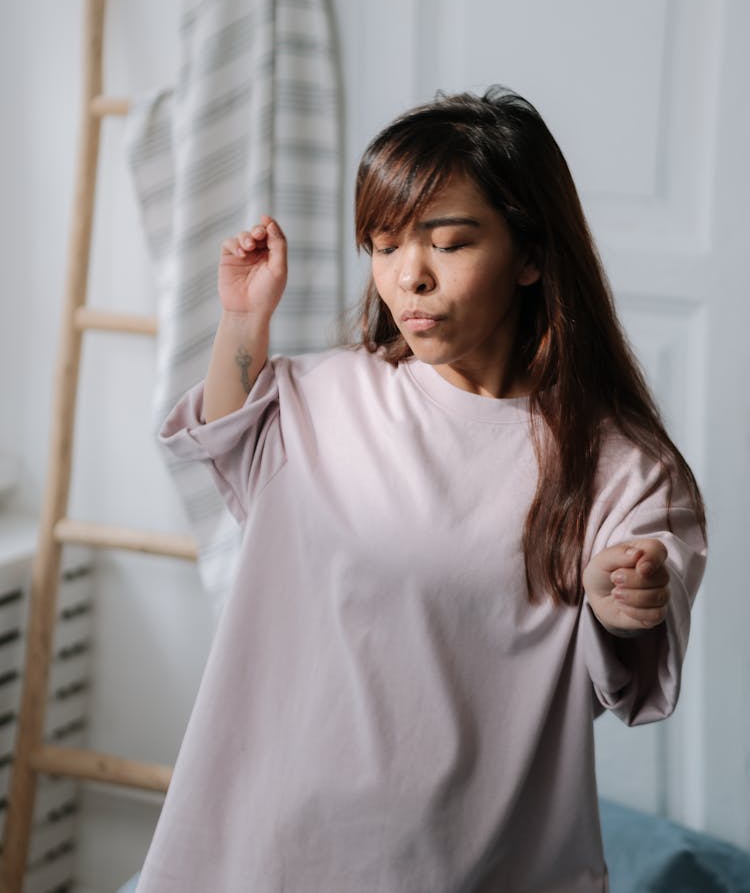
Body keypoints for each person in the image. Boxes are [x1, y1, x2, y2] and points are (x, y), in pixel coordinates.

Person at [135, 87, 706, 892]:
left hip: (481, 864)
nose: (411, 278)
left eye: (449, 243)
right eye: (384, 243)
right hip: (264, 845)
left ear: (532, 255)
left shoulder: (622, 465)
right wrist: (242, 320)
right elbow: (223, 438)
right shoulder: (323, 397)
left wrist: (623, 602)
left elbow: (639, 645)